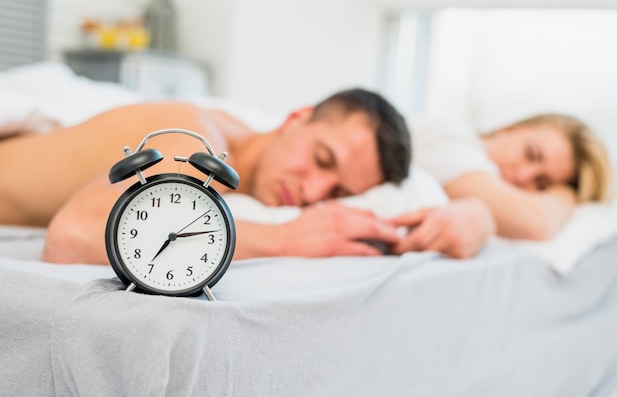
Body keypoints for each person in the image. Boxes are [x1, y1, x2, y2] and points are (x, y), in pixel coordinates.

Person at [2, 87, 492, 263]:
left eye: (338, 192)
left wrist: (477, 214)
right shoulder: (196, 137)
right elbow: (75, 235)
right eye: (323, 160)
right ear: (297, 117)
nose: (314, 193)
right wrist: (285, 241)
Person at [393, 113, 613, 255]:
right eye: (531, 154)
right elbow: (535, 222)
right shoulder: (444, 139)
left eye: (542, 184)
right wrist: (566, 193)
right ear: (507, 128)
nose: (523, 177)